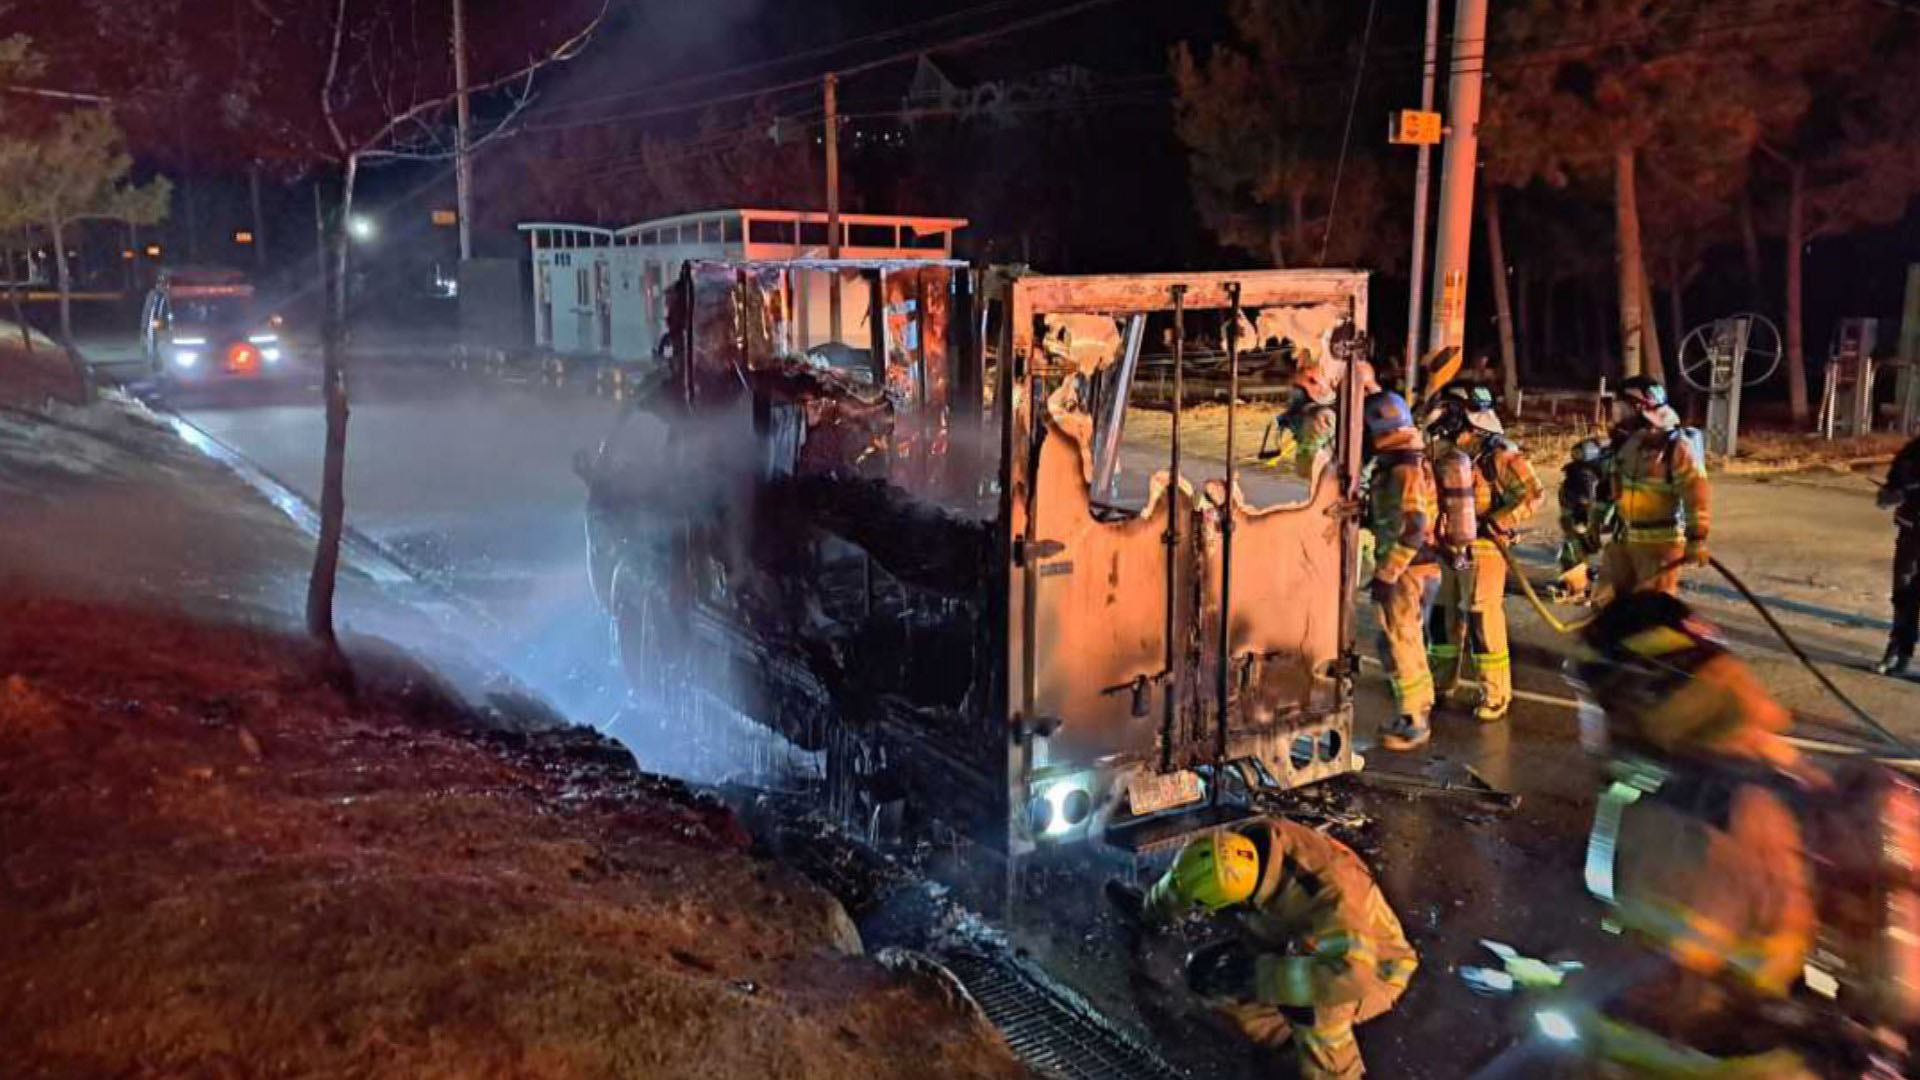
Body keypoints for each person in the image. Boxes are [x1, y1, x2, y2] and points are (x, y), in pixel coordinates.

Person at [1566, 591, 1822, 1077]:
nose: (1597, 721)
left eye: (1601, 701)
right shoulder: (1763, 759)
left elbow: (1667, 989)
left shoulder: (1693, 808)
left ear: (1644, 691)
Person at [1105, 818, 1417, 1079]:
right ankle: (1285, 1044)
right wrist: (1150, 911)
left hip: (1375, 967)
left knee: (1314, 1006)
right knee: (1219, 978)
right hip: (1300, 937)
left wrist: (1258, 976)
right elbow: (1183, 885)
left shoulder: (1333, 896)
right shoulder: (1240, 848)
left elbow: (1350, 976)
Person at [1424, 384, 1545, 722]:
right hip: (1447, 546)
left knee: (1481, 622)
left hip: (1484, 548)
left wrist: (1499, 520)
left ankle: (1494, 694)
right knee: (1443, 617)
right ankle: (1440, 681)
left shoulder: (1500, 454)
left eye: (1449, 410)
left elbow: (1535, 495)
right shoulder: (1442, 450)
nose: (1442, 417)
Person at [1363, 391, 1441, 750]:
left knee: (1398, 643)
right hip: (1420, 569)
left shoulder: (1404, 469)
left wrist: (1387, 574)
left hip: (1408, 571)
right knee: (1409, 640)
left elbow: (1414, 525)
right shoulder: (1405, 462)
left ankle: (1412, 721)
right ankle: (1420, 707)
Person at [1602, 376, 1710, 599]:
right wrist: (1595, 525)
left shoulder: (1677, 446)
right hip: (1625, 539)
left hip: (1660, 545)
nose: (1619, 415)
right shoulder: (1629, 444)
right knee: (1609, 609)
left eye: (1623, 408)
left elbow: (1696, 494)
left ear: (1643, 407)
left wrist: (1697, 539)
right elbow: (1612, 488)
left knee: (1651, 613)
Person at [1874, 433, 1920, 676]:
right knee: (1903, 598)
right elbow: (1887, 493)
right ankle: (1899, 652)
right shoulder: (1911, 453)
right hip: (1911, 537)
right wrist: (1890, 495)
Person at [1549, 437, 1610, 602]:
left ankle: (1578, 589)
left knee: (1574, 552)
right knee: (1574, 552)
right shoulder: (1583, 473)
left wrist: (1582, 520)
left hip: (1580, 521)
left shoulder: (1584, 475)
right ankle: (1579, 588)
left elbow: (1585, 500)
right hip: (1578, 520)